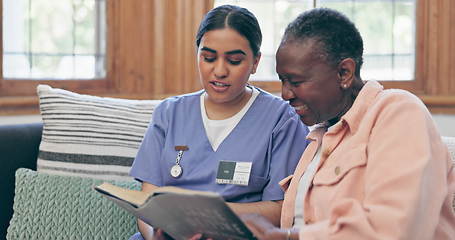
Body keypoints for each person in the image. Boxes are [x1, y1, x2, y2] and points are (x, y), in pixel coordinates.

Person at [238, 8, 455, 240]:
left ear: (344, 73)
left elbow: (396, 228)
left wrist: (289, 237)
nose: (285, 94)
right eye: (282, 80)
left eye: (296, 81)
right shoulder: (319, 136)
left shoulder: (398, 111)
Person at [128, 5, 310, 240]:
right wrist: (157, 235)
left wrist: (203, 220)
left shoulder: (282, 120)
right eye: (208, 58)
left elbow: (279, 209)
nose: (219, 71)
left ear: (255, 62)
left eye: (234, 60)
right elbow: (147, 203)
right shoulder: (169, 113)